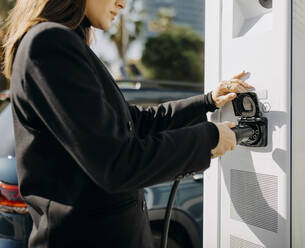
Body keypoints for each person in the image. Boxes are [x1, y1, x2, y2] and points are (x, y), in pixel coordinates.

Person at [1, 0, 252, 247]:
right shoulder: (50, 42)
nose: (122, 4)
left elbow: (134, 122)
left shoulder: (64, 42)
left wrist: (208, 102)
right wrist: (209, 139)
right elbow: (117, 163)